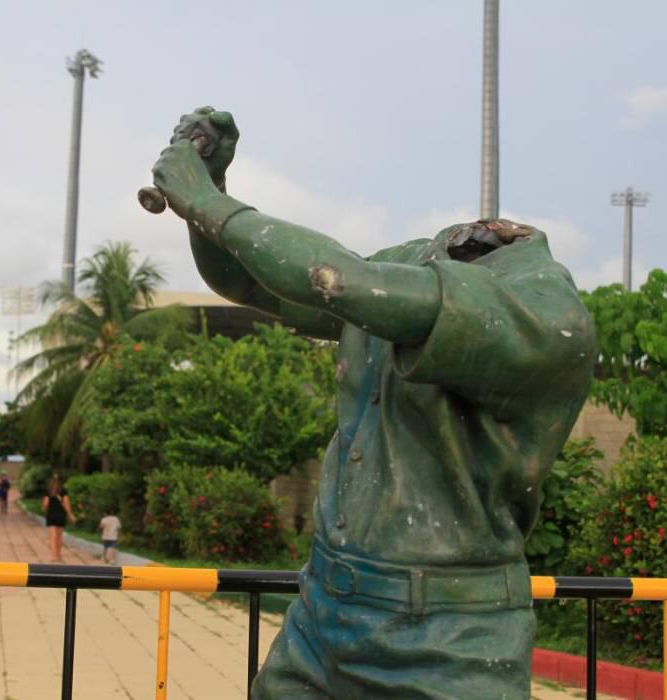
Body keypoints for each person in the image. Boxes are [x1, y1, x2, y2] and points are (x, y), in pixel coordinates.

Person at [148, 108, 595, 699]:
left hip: (451, 642)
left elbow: (337, 279)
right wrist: (207, 194)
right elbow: (251, 283)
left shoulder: (547, 313)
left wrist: (206, 201)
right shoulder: (415, 262)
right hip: (322, 617)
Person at [42, 475, 75, 562]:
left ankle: (53, 556)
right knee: (59, 537)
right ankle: (58, 555)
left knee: (53, 536)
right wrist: (70, 514)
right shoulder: (63, 491)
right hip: (61, 515)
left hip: (51, 515)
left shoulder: (48, 491)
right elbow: (66, 503)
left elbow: (45, 504)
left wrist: (44, 509)